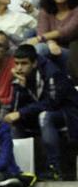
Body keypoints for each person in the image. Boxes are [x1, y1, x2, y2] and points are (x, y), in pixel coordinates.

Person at [6, 44, 78, 180]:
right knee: (15, 123)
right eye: (17, 63)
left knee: (44, 117)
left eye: (24, 63)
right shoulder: (21, 75)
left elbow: (52, 103)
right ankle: (22, 171)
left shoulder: (52, 73)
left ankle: (55, 168)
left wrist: (22, 113)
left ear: (34, 63)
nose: (19, 68)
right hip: (42, 113)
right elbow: (14, 109)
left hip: (68, 114)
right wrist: (20, 88)